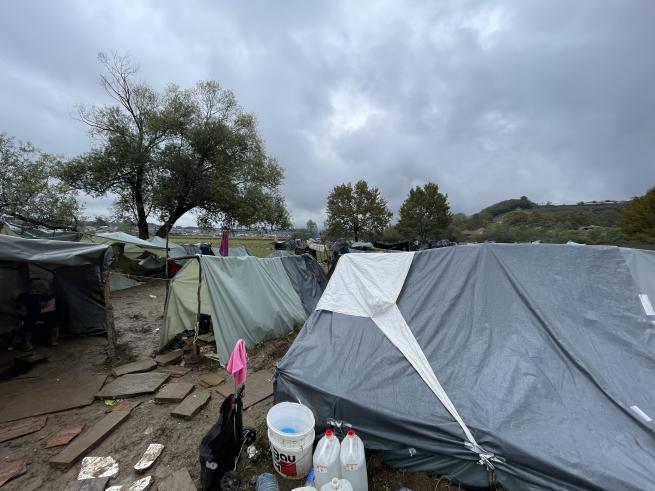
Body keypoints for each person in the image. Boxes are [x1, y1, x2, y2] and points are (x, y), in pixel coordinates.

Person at [15, 279, 59, 351]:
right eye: (31, 285)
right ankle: (25, 342)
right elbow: (20, 306)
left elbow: (50, 307)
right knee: (29, 318)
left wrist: (37, 310)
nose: (32, 287)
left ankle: (52, 338)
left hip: (41, 312)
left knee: (53, 316)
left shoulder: (46, 295)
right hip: (29, 314)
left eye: (34, 285)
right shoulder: (23, 295)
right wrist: (25, 309)